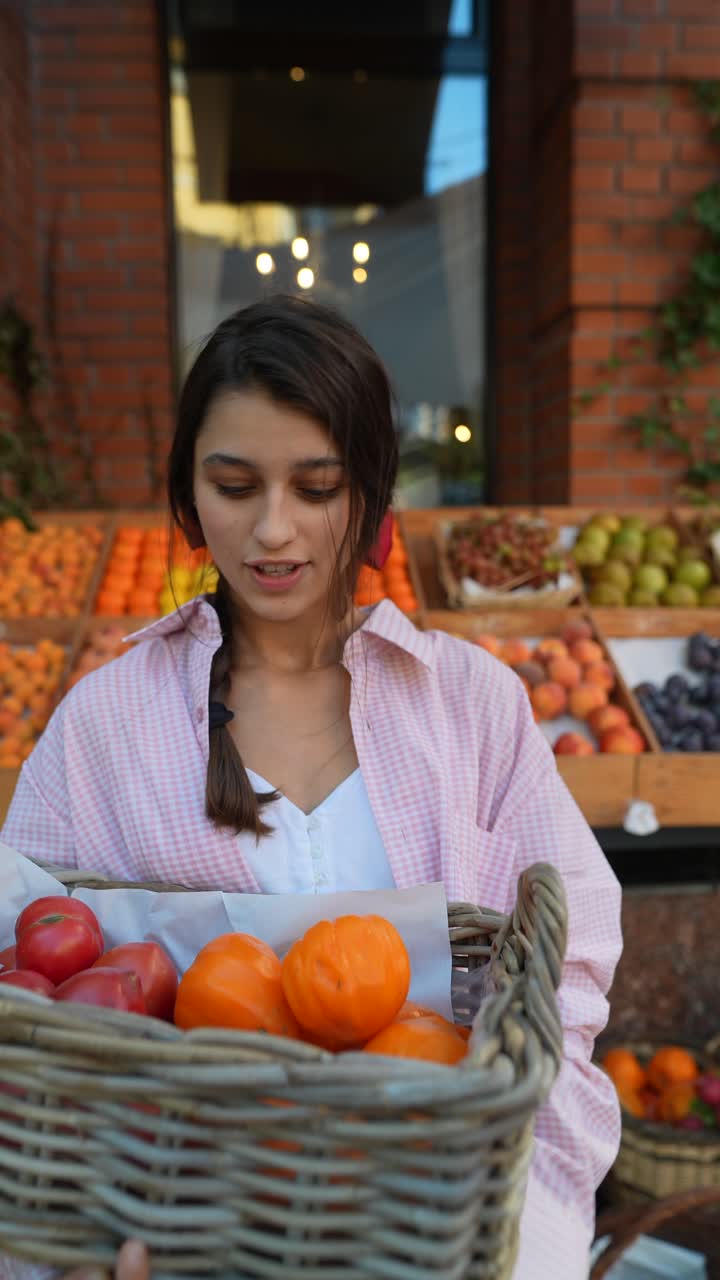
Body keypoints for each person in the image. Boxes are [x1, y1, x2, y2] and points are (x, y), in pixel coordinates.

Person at [0, 294, 622, 1280]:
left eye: (316, 484)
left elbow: (567, 967)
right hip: (180, 1227)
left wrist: (507, 1219)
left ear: (368, 492)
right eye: (234, 484)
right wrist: (72, 1237)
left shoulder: (472, 705)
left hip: (429, 1212)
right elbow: (29, 998)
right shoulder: (105, 722)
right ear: (189, 493)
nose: (273, 529)